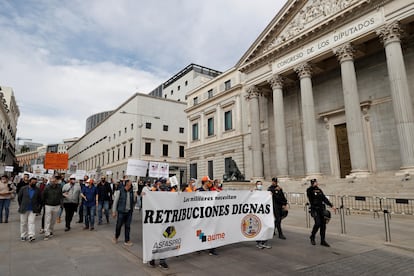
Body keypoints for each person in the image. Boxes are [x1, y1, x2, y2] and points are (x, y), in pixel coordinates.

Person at [147, 178, 170, 270]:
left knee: (164, 241)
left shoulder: (168, 193)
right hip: (156, 221)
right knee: (155, 240)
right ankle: (152, 258)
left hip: (166, 221)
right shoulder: (153, 193)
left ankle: (162, 261)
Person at [307, 178, 335, 247]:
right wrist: (312, 186)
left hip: (321, 209)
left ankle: (323, 240)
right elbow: (309, 195)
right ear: (312, 183)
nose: (315, 183)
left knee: (323, 225)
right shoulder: (309, 190)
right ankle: (312, 236)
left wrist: (331, 205)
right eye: (314, 182)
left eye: (316, 182)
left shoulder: (319, 190)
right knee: (317, 223)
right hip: (314, 209)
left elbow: (324, 198)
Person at [197, 176, 218, 256]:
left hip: (210, 215)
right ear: (205, 182)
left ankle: (211, 249)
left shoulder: (211, 191)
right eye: (209, 182)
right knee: (200, 231)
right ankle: (200, 245)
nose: (210, 183)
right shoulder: (198, 191)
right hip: (201, 215)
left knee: (211, 230)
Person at [112, 179, 135, 246]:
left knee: (128, 226)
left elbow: (133, 201)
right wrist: (114, 211)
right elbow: (115, 202)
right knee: (119, 225)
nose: (131, 185)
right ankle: (116, 237)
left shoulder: (131, 192)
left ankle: (127, 240)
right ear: (127, 184)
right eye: (130, 184)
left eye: (131, 184)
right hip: (121, 212)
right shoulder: (120, 191)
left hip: (129, 212)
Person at [18, 177, 42, 242]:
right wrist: (21, 205)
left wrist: (38, 208)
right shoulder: (23, 188)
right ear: (29, 182)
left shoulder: (37, 190)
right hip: (24, 208)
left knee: (31, 222)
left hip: (33, 209)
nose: (34, 183)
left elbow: (39, 199)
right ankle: (23, 235)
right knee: (23, 223)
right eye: (33, 182)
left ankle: (31, 235)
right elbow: (19, 198)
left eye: (35, 182)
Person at [42, 176, 63, 240]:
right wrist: (44, 204)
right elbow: (43, 196)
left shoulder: (59, 187)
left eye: (54, 181)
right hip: (48, 205)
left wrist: (61, 203)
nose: (53, 182)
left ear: (56, 181)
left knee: (53, 220)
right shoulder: (47, 187)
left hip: (56, 205)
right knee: (47, 219)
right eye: (52, 181)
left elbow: (60, 196)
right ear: (50, 181)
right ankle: (46, 233)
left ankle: (51, 230)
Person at [254, 180, 272, 249]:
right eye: (258, 184)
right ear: (256, 185)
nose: (260, 185)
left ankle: (264, 242)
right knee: (258, 228)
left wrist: (270, 195)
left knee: (265, 227)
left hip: (264, 213)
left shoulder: (264, 193)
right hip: (257, 214)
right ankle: (258, 243)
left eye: (261, 184)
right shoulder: (254, 192)